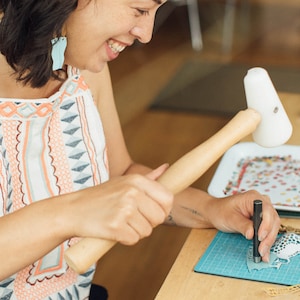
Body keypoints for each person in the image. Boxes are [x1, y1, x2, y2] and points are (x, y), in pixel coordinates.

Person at [0, 0, 280, 299]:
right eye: (140, 9)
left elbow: (120, 174)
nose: (146, 34)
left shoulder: (81, 66)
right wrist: (70, 212)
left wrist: (210, 209)